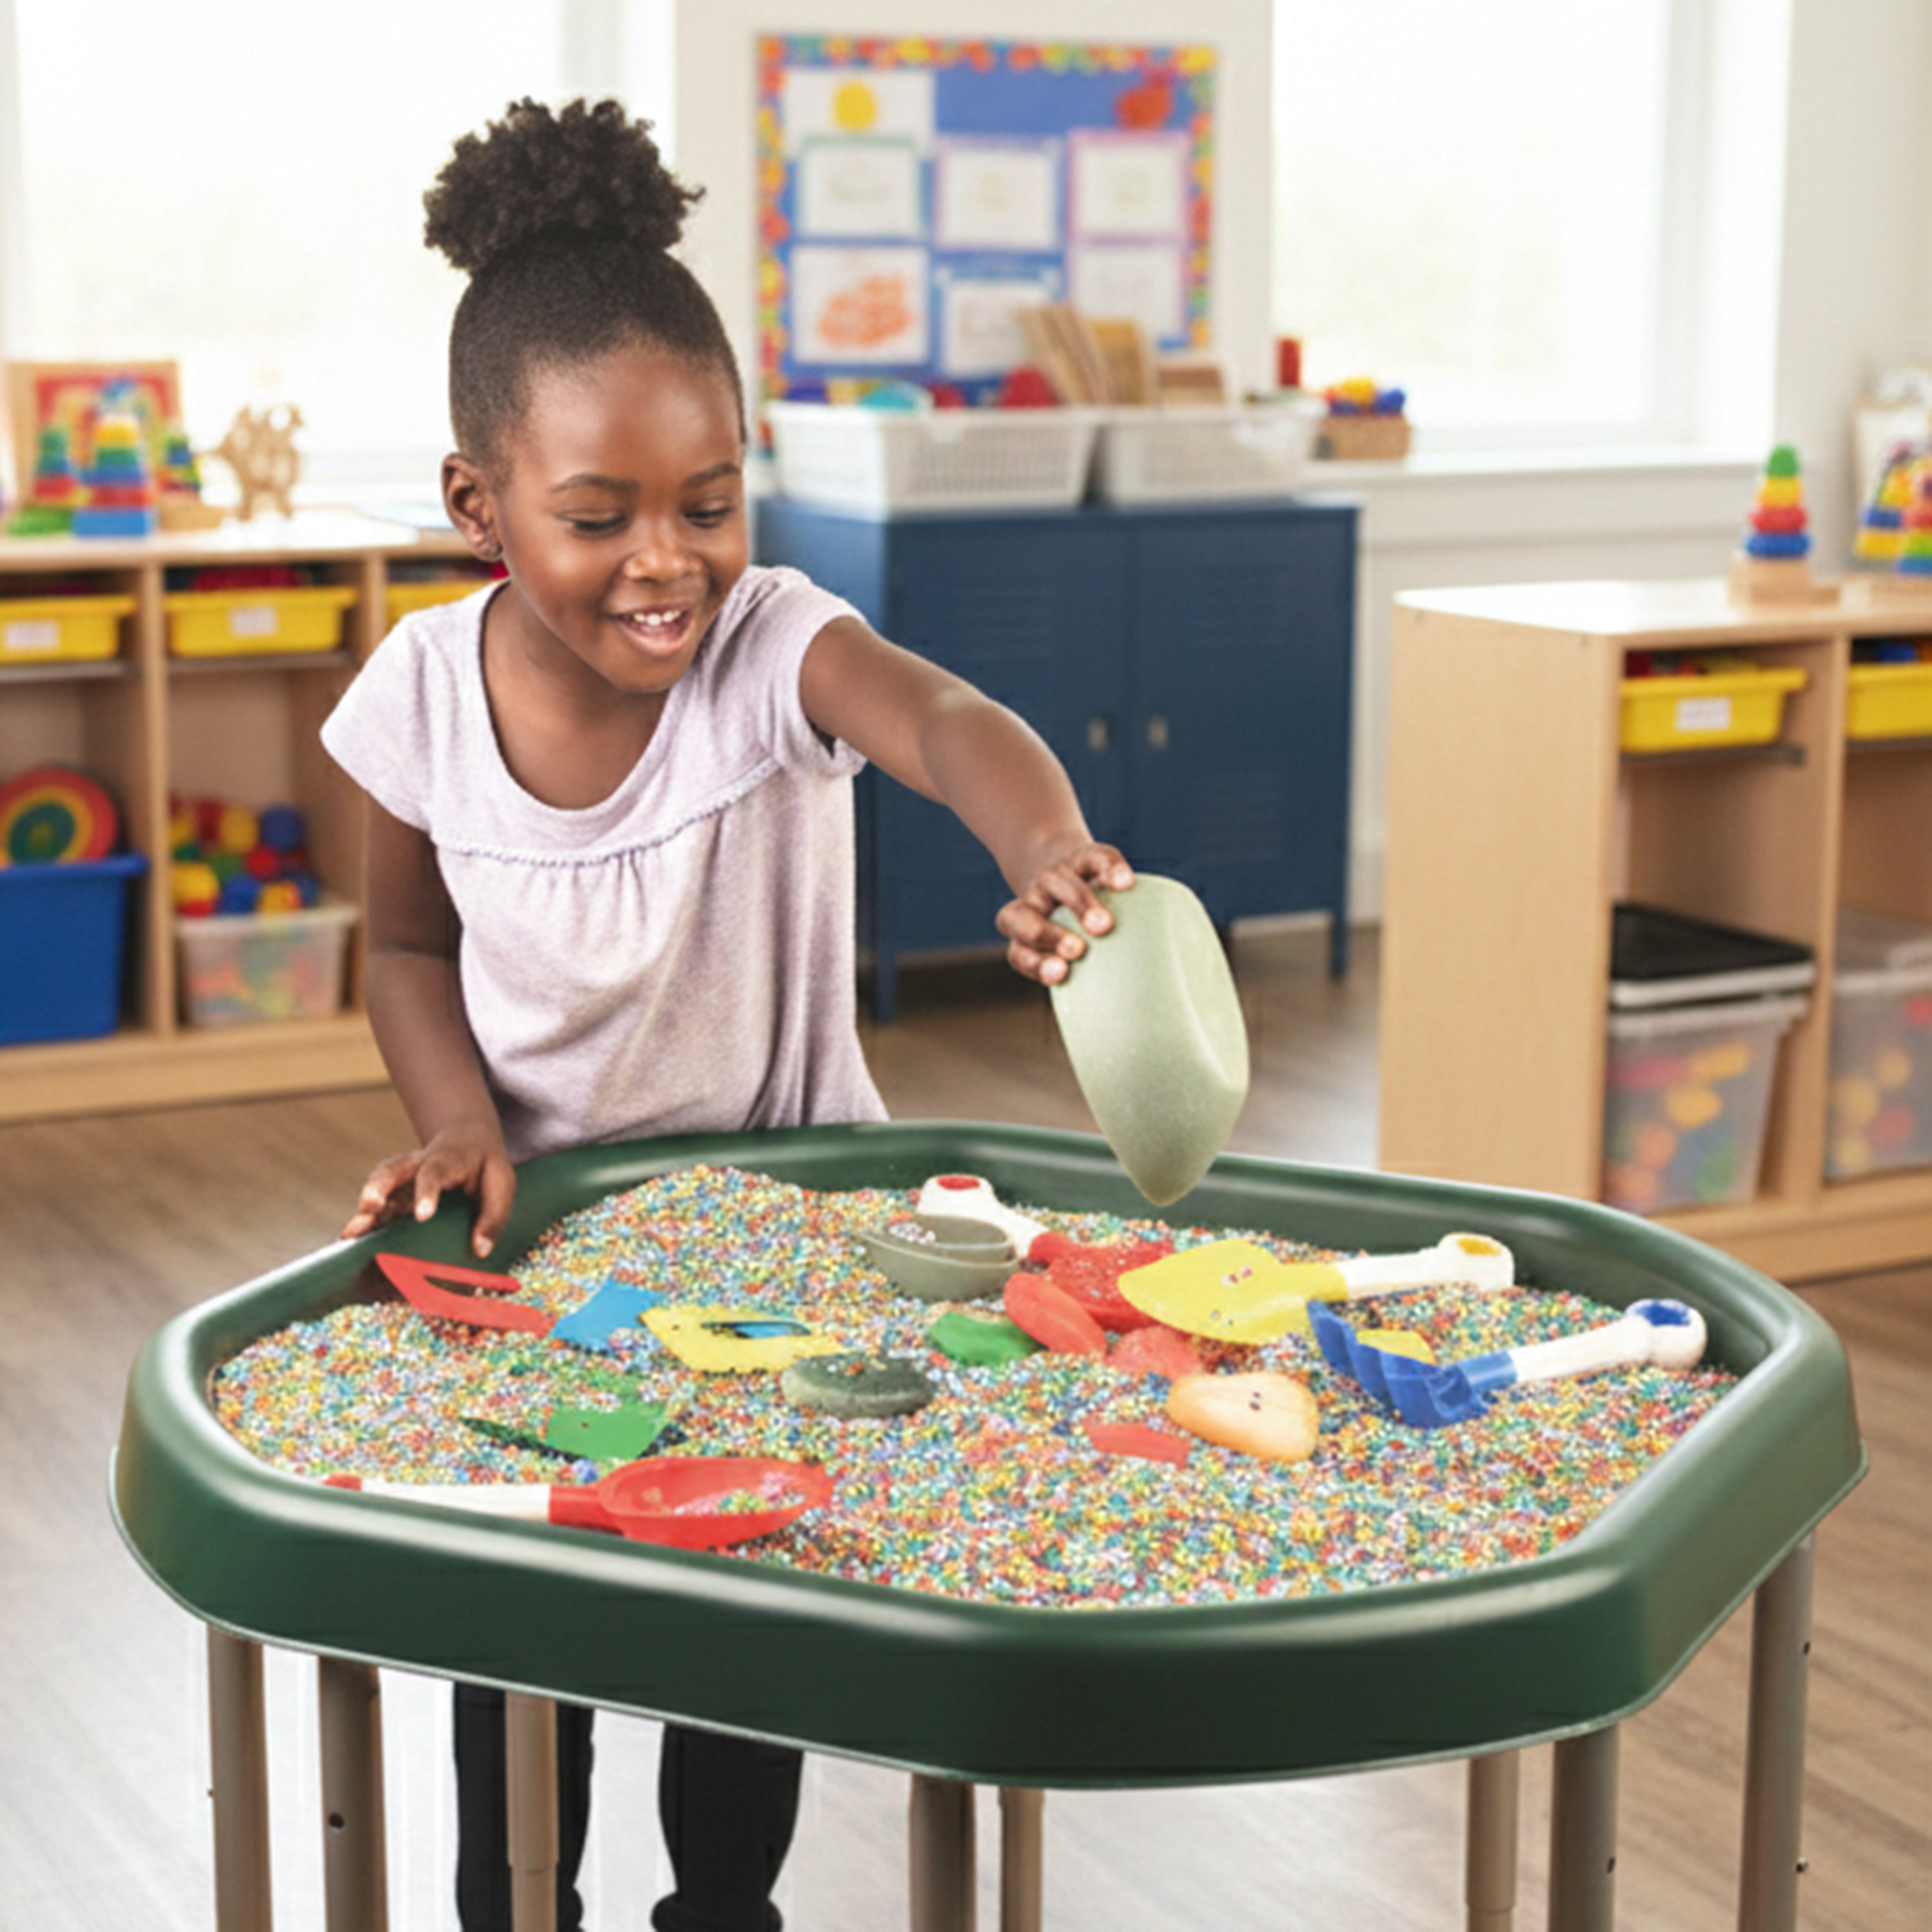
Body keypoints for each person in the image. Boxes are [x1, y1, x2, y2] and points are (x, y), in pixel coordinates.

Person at [320, 97, 1133, 1932]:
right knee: (519, 1621)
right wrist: (455, 1122)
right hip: (536, 1243)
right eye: (598, 517)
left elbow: (942, 722)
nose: (666, 560)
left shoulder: (770, 646)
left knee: (730, 1596)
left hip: (774, 1232)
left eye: (709, 501)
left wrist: (1052, 840)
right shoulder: (421, 696)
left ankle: (724, 1915)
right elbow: (404, 952)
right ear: (480, 507)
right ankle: (511, 1905)